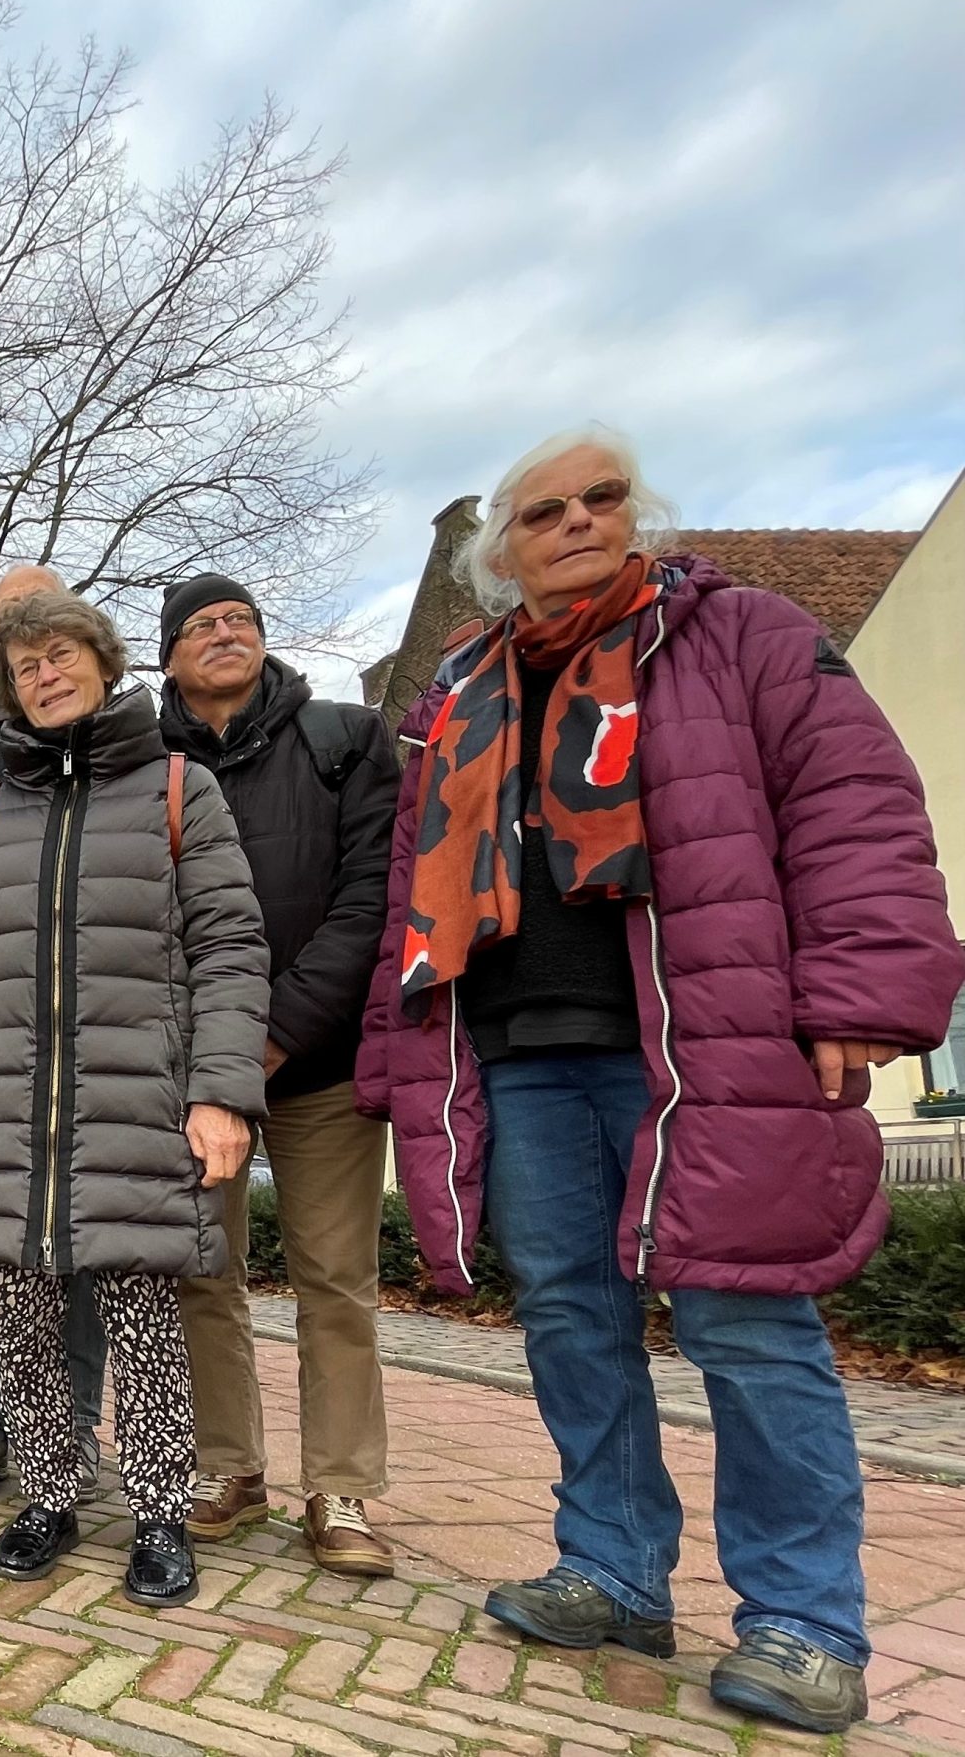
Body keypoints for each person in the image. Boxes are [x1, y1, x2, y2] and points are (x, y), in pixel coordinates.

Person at [357, 425, 965, 1735]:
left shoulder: (738, 637)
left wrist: (858, 997)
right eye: (543, 510)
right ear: (499, 557)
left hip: (699, 1046)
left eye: (603, 496)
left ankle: (804, 1620)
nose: (577, 519)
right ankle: (615, 1569)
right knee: (572, 1319)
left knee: (745, 1322)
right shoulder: (456, 696)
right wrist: (392, 1068)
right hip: (519, 1057)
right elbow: (413, 901)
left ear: (639, 514)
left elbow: (856, 805)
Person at [0, 588, 269, 1598]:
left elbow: (231, 950)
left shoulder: (175, 789)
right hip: (7, 1109)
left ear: (105, 664)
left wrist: (221, 1093)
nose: (47, 674)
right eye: (26, 667)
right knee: (20, 1319)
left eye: (62, 654)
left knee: (143, 1316)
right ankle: (50, 1494)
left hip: (135, 1105)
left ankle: (160, 1513)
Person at [158, 574, 404, 1576]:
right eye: (202, 625)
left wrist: (272, 1034)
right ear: (167, 656)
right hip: (191, 1072)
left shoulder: (344, 740)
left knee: (334, 1279)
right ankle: (227, 1466)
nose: (226, 633)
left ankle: (339, 1488)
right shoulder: (145, 762)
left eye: (242, 621)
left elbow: (369, 904)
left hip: (321, 1064)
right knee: (200, 1273)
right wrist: (206, 1050)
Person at [0, 560, 110, 1500]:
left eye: (49, 628)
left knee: (86, 1249)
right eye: (12, 628)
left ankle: (72, 1427)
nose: (32, 647)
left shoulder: (142, 763)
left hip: (102, 1052)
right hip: (1, 1047)